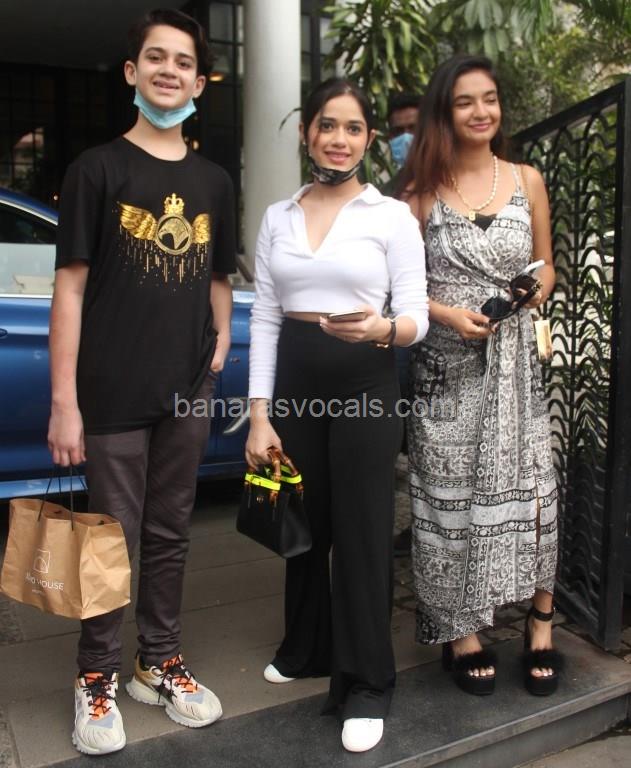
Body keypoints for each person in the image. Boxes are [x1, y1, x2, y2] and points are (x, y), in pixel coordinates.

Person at [48, 9, 236, 755]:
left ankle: (158, 662)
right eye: (155, 58)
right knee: (110, 540)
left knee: (169, 534)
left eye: (183, 62)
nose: (169, 71)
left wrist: (219, 341)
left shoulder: (213, 181)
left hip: (186, 390)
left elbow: (217, 276)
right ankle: (95, 675)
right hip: (111, 391)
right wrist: (64, 402)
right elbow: (69, 289)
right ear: (132, 73)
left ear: (198, 81)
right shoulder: (96, 170)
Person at [245, 78, 428, 753]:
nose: (338, 139)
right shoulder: (277, 215)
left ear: (369, 139)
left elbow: (416, 317)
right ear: (307, 134)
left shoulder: (391, 216)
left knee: (360, 532)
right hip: (294, 384)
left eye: (353, 128)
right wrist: (258, 415)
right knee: (303, 520)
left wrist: (382, 329)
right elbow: (265, 318)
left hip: (365, 383)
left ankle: (367, 682)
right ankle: (306, 648)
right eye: (327, 125)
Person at [400, 54, 563, 696]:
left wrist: (533, 289)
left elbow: (547, 263)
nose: (480, 111)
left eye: (489, 98)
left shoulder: (527, 179)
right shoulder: (419, 194)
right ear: (445, 111)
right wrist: (447, 313)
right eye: (465, 101)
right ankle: (459, 630)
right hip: (447, 368)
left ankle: (540, 621)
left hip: (516, 367)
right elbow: (398, 290)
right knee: (447, 498)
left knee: (533, 487)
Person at [382, 92, 421, 198]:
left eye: (413, 128)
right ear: (390, 137)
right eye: (398, 131)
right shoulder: (386, 196)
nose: (406, 137)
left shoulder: (455, 182)